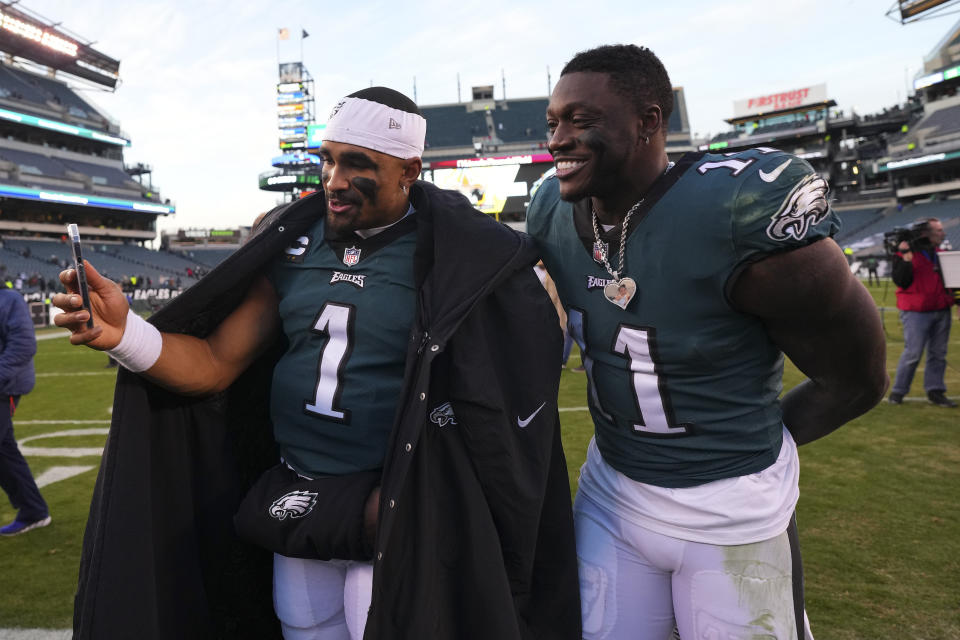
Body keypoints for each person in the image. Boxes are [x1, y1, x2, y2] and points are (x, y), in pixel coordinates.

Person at [56, 87, 580, 640]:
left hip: (395, 508)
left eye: (357, 163)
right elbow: (214, 362)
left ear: (409, 171)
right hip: (297, 496)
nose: (332, 180)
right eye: (326, 160)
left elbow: (508, 390)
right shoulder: (294, 243)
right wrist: (124, 334)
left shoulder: (457, 253)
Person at [526, 44, 888, 640]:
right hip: (612, 492)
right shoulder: (550, 208)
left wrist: (744, 451)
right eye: (554, 122)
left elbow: (857, 380)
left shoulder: (735, 210)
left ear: (649, 122)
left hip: (732, 510)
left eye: (581, 120)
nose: (559, 138)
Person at [888, 218, 956, 408]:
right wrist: (905, 258)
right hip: (916, 312)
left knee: (938, 354)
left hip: (942, 310)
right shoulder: (906, 254)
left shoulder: (941, 254)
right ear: (925, 234)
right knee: (913, 354)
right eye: (939, 230)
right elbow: (901, 281)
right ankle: (898, 391)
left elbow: (954, 282)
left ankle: (935, 391)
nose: (943, 233)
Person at [0, 288, 49, 536]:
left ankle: (34, 510)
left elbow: (24, 345)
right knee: (4, 453)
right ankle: (33, 510)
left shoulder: (9, 300)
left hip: (3, 389)